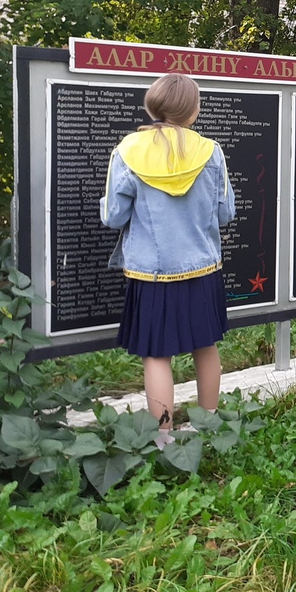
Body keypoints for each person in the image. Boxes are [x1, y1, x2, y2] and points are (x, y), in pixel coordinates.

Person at [100, 73, 236, 438]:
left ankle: (164, 439)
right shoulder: (211, 151)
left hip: (152, 274)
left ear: (153, 106)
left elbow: (113, 217)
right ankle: (209, 426)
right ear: (193, 111)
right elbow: (226, 213)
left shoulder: (128, 151)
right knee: (205, 345)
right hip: (203, 268)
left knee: (157, 354)